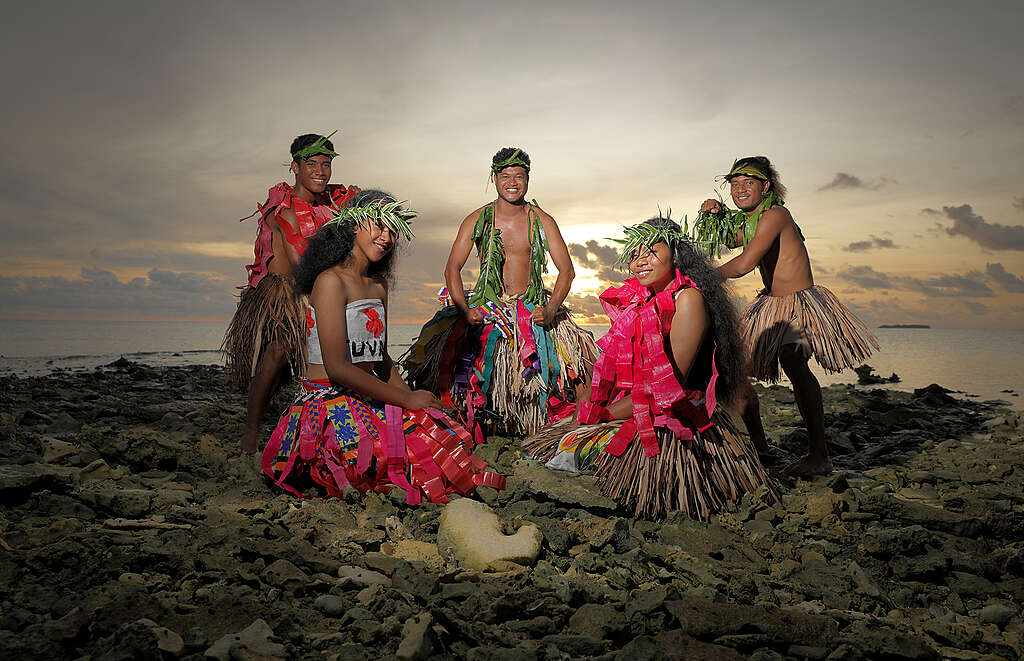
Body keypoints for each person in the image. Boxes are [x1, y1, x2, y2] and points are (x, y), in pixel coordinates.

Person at [261, 189, 505, 504]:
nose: (386, 237)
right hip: (327, 403)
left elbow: (380, 357)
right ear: (352, 227)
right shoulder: (330, 281)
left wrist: (413, 402)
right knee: (379, 460)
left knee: (435, 431)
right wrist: (405, 397)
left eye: (392, 230)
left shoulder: (378, 286)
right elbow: (337, 367)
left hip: (364, 393)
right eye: (378, 225)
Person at [523, 216, 776, 520]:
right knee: (566, 434)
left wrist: (603, 414)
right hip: (641, 401)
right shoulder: (643, 299)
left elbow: (670, 389)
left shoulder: (689, 299)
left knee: (582, 442)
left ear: (676, 253)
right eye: (634, 253)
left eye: (651, 251)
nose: (640, 261)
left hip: (673, 414)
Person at [697, 156, 879, 478]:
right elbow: (729, 240)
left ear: (765, 186)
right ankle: (761, 448)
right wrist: (714, 216)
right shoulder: (752, 222)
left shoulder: (777, 215)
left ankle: (819, 456)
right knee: (734, 367)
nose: (739, 189)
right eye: (734, 184)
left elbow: (743, 264)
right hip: (770, 306)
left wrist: (698, 280)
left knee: (793, 360)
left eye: (748, 182)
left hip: (800, 306)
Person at [402, 147, 598, 437]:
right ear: (494, 178)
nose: (512, 182)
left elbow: (566, 271)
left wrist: (552, 309)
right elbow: (452, 269)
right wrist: (464, 311)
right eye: (505, 176)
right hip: (487, 305)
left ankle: (571, 424)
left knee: (581, 361)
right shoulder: (477, 219)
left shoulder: (541, 220)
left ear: (528, 179)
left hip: (531, 305)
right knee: (440, 354)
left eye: (519, 176)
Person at [223, 132, 359, 453]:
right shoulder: (283, 210)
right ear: (295, 167)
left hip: (322, 285)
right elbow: (302, 262)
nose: (321, 171)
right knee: (280, 348)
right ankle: (251, 429)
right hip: (285, 293)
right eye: (311, 164)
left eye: (326, 165)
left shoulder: (331, 205)